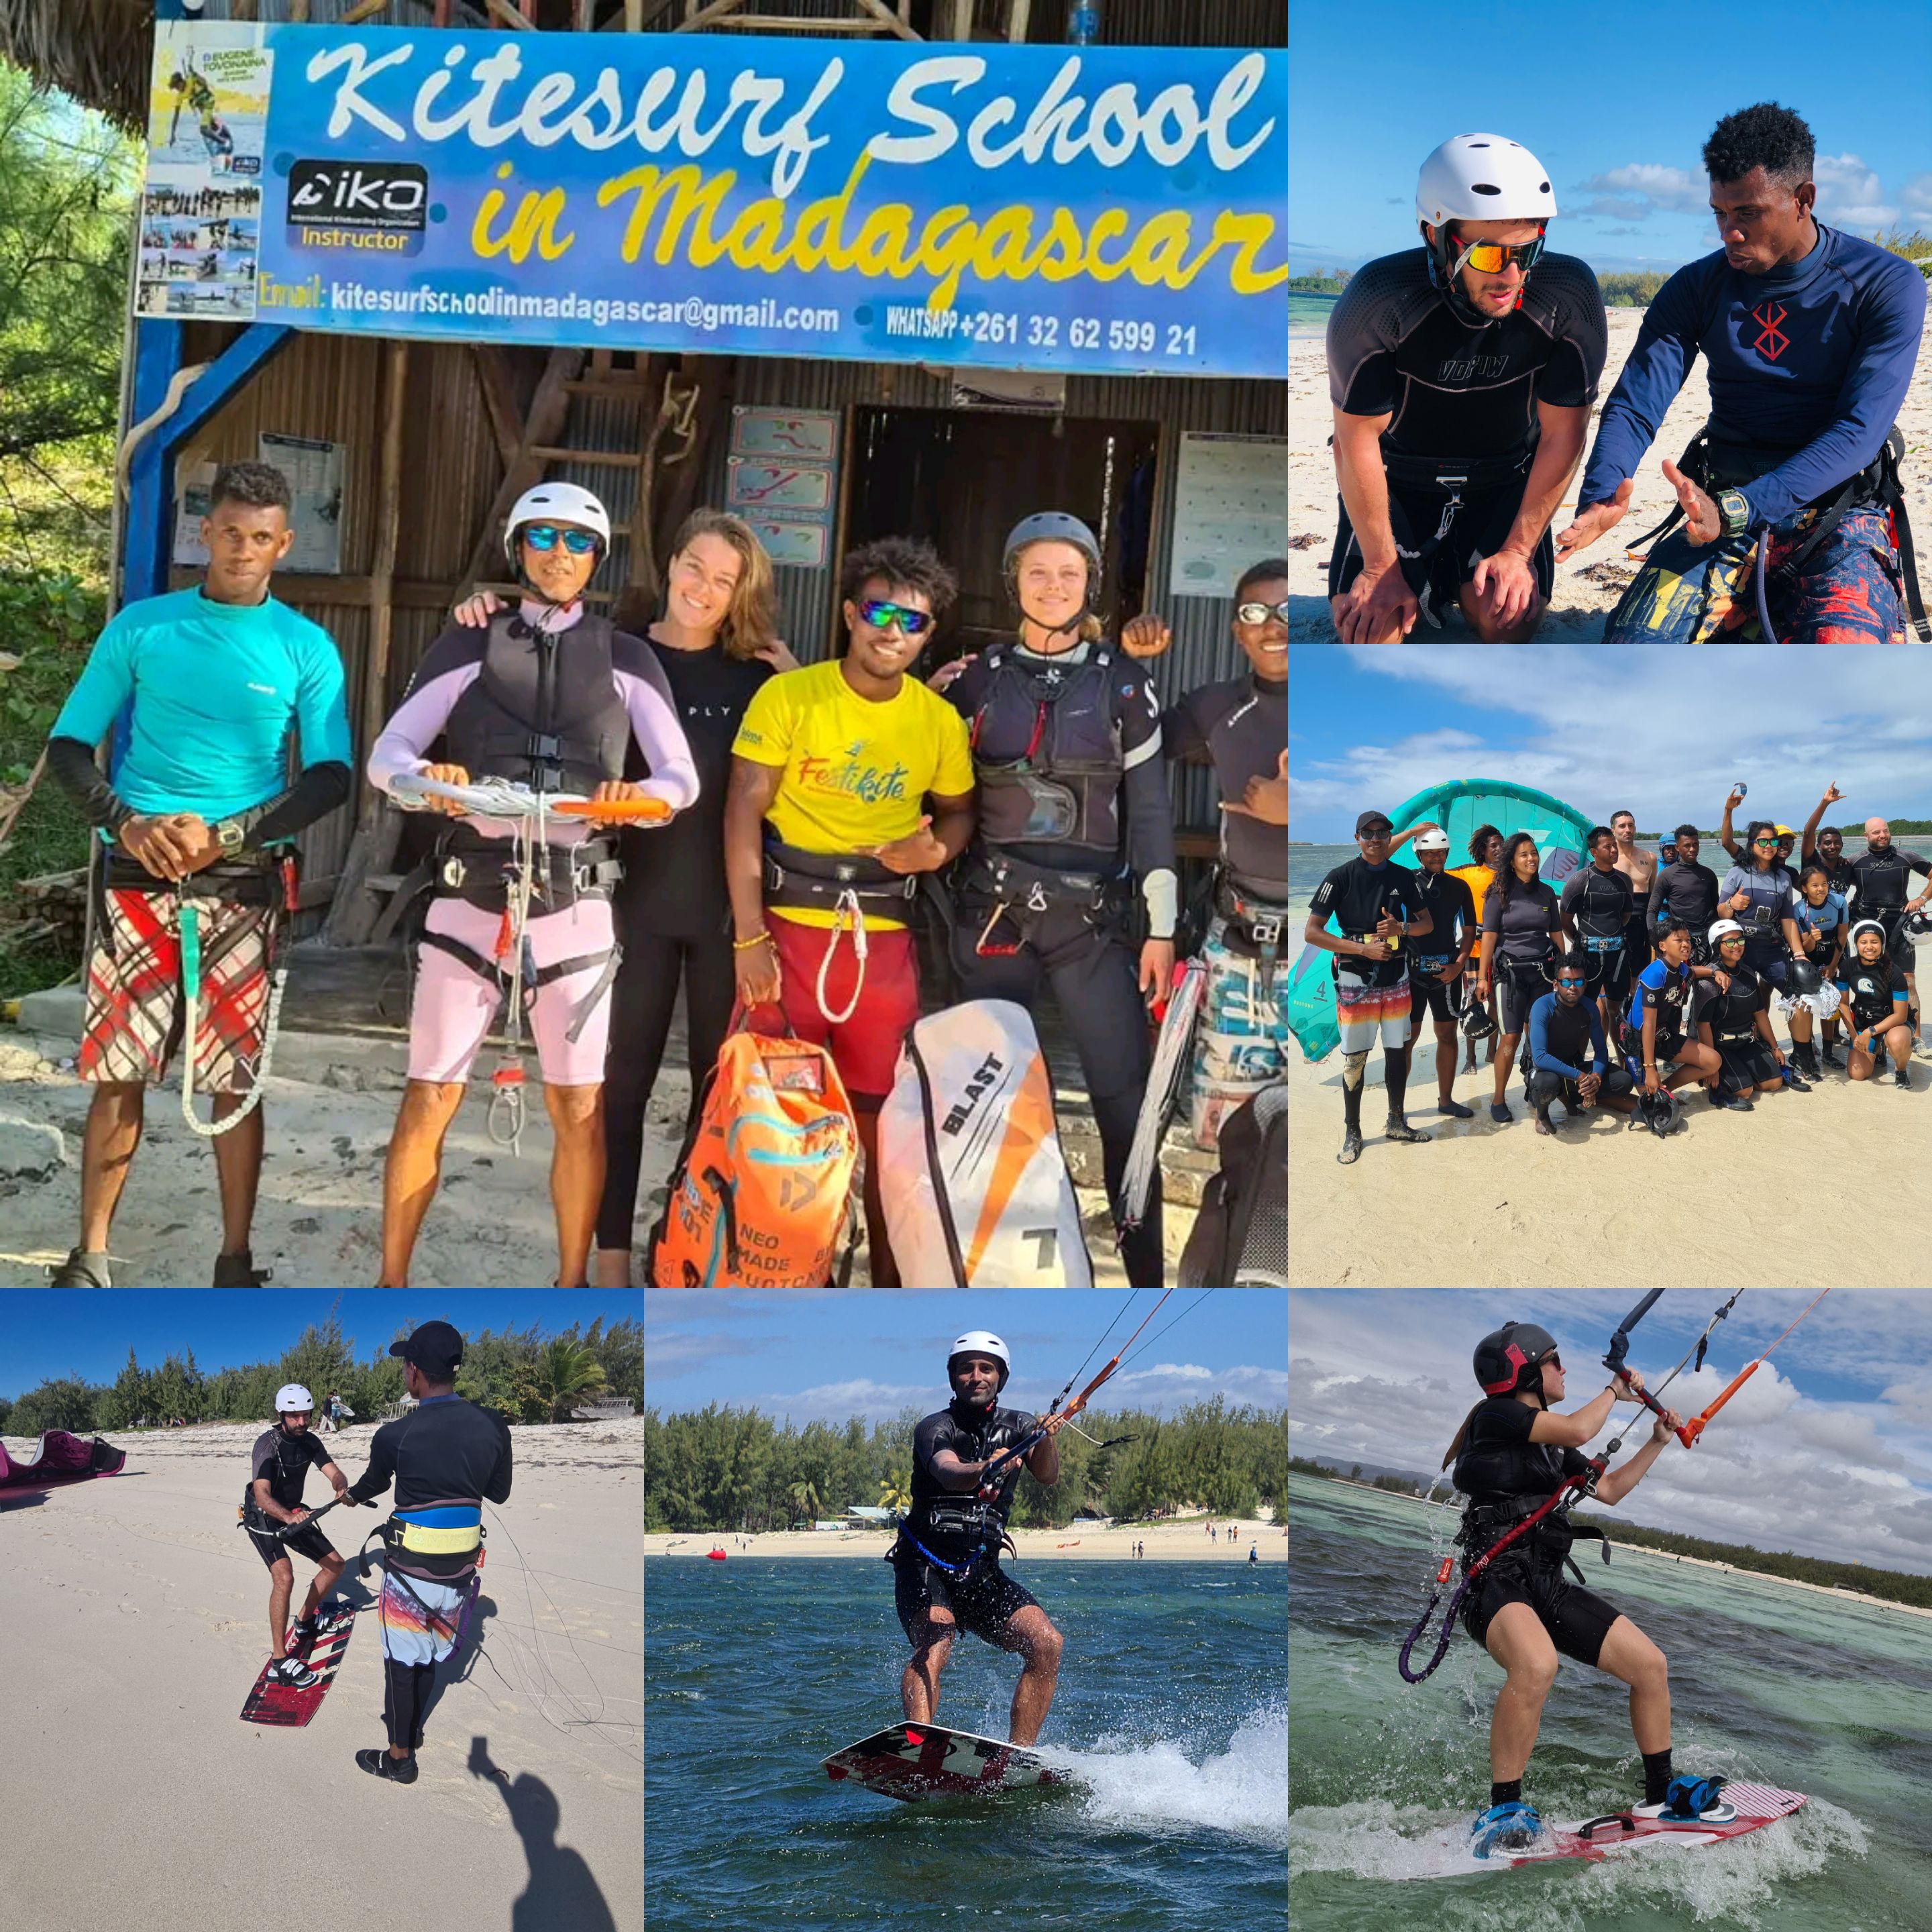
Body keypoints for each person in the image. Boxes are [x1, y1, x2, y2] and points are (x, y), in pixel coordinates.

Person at [453, 510, 798, 1288]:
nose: (703, 589)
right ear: (670, 563)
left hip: (722, 918)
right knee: (621, 1087)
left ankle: (681, 1237)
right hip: (626, 903)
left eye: (725, 579)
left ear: (742, 593)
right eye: (695, 567)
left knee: (719, 1093)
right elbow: (530, 640)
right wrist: (483, 609)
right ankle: (609, 1259)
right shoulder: (611, 654)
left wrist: (797, 676)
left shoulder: (760, 679)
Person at [368, 482, 700, 1289]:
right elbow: (388, 758)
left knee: (580, 1106)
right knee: (429, 1095)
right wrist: (432, 779)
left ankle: (572, 1280)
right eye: (543, 537)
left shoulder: (628, 658)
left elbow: (680, 778)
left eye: (578, 542)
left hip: (575, 899)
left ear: (597, 558)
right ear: (518, 549)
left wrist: (635, 798)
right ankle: (389, 1282)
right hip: (471, 893)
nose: (560, 553)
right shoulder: (466, 644)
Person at [43, 461, 353, 1289]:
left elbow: (330, 775)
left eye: (261, 538)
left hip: (244, 887)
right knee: (119, 1070)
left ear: (283, 544)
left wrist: (229, 835)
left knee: (233, 1081)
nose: (243, 550)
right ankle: (92, 1258)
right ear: (204, 534)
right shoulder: (143, 629)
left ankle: (234, 1261)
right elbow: (71, 748)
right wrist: (129, 822)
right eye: (229, 533)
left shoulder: (306, 647)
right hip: (137, 878)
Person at [1564, 103, 1928, 643]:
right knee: (1630, 649)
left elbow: (1858, 431)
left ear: (1803, 199)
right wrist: (1599, 496)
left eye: (1748, 214)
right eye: (1719, 213)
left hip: (1839, 513)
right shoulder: (1696, 287)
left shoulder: (1884, 284)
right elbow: (1637, 402)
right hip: (1716, 502)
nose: (1729, 233)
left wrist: (1739, 510)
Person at [727, 537, 976, 1287]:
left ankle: (888, 1283)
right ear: (848, 614)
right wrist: (747, 937)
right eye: (876, 611)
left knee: (886, 1127)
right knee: (779, 1120)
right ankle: (782, 1274)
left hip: (882, 946)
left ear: (930, 635)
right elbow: (742, 810)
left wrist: (936, 853)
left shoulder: (934, 720)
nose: (891, 631)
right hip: (786, 936)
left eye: (913, 621)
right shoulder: (790, 697)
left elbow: (959, 814)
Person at [940, 514, 1178, 1283]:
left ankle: (1142, 1282)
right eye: (1037, 573)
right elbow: (934, 793)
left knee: (1124, 1108)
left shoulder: (1124, 683)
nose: (1053, 587)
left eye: (1068, 574)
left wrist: (1161, 932)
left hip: (1092, 926)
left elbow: (1149, 815)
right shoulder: (972, 679)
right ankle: (985, 1270)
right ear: (1014, 580)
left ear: (1089, 585)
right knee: (984, 1111)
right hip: (993, 917)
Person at [1446, 1324, 1727, 1858]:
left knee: (1650, 1666)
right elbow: (1578, 1430)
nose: (1565, 1370)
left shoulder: (1555, 1452)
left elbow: (1614, 1490)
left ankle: (1658, 1795)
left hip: (1545, 1583)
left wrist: (1657, 1441)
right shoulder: (1498, 1414)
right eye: (1555, 1361)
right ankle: (1503, 1807)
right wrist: (1615, 1392)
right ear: (1526, 1371)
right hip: (1494, 1583)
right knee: (1536, 1665)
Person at [1327, 133, 1608, 641]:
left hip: (1503, 482)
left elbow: (1564, 433)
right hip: (1400, 485)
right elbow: (1354, 441)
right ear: (1433, 235)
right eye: (1488, 256)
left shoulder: (1568, 294)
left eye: (1527, 250)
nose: (1513, 275)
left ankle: (1455, 580)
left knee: (1506, 621)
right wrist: (1378, 566)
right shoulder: (1378, 297)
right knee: (1372, 633)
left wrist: (1520, 552)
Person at [338, 1321, 512, 1784]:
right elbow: (499, 1492)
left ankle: (399, 1758)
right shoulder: (492, 1424)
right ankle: (412, 1731)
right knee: (432, 1657)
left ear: (414, 1371)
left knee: (400, 1666)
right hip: (458, 1576)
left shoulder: (396, 1435)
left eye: (404, 1365)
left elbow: (375, 1484)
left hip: (409, 1576)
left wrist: (352, 1496)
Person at [1159, 559, 1289, 1144]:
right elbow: (1134, 740)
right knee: (1226, 1136)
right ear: (1237, 631)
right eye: (1254, 613)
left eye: (1287, 610)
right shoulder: (1216, 706)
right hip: (1238, 947)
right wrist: (1131, 663)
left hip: (1329, 954)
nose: (1272, 625)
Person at [892, 1332, 1065, 1748]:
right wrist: (985, 1467)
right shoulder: (934, 1427)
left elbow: (1048, 1474)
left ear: (1000, 1378)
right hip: (925, 1564)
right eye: (965, 1368)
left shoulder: (1021, 1425)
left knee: (1047, 1644)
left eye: (985, 1368)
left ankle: (1019, 1756)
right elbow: (946, 1469)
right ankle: (918, 1745)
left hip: (980, 1571)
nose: (975, 1376)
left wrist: (1044, 1437)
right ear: (952, 1378)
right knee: (938, 1635)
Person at [1303, 811, 1434, 1163]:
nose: (1375, 838)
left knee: (1396, 1051)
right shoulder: (1339, 877)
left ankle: (1396, 1121)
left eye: (1382, 832)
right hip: (1354, 978)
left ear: (1389, 836)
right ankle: (1353, 1131)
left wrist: (1400, 929)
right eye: (1368, 833)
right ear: (1357, 837)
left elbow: (1427, 924)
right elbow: (1312, 932)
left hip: (1397, 978)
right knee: (1355, 1058)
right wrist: (1363, 948)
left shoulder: (1403, 877)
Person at [241, 1384, 355, 1693]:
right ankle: (279, 1662)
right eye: (295, 1416)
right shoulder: (267, 1445)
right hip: (263, 1518)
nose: (302, 1422)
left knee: (336, 1566)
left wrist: (341, 1487)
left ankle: (304, 1621)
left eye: (306, 1415)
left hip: (294, 1513)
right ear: (282, 1415)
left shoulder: (310, 1441)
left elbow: (334, 1472)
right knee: (285, 1577)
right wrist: (289, 1517)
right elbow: (262, 1495)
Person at [1474, 833, 1563, 1124]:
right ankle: (1498, 1098)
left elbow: (1556, 935)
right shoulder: (1497, 892)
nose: (1531, 859)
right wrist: (1483, 978)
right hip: (1509, 976)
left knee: (1539, 1037)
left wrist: (1564, 970)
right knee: (1510, 1037)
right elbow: (1489, 936)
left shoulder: (1547, 893)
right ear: (1511, 861)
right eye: (1524, 854)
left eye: (1534, 853)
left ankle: (1537, 1093)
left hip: (1542, 974)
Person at [1399, 826, 1477, 1118]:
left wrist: (1458, 965)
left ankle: (1446, 1100)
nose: (1437, 857)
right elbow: (1377, 857)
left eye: (1441, 852)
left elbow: (1469, 930)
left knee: (1447, 1035)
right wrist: (1411, 832)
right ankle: (1398, 1108)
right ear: (1418, 853)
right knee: (1407, 1039)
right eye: (1430, 852)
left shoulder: (1458, 887)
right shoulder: (1405, 882)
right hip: (1410, 971)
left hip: (1446, 971)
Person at [1522, 951, 1638, 1136]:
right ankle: (1542, 1114)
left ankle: (1578, 1096)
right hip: (1542, 1071)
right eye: (1567, 981)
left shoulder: (1589, 1007)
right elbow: (1541, 1057)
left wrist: (1596, 1078)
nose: (1573, 987)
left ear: (1585, 984)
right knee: (1547, 1084)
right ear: (1556, 984)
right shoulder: (1542, 1007)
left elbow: (1601, 1050)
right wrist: (1582, 1077)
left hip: (1571, 1068)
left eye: (1578, 981)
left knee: (1623, 1081)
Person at [1621, 922, 1723, 1130]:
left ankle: (1667, 1089)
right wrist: (1650, 1069)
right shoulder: (1655, 973)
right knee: (1653, 1107)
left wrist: (1714, 973)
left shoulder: (1680, 968)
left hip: (1662, 1035)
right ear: (1663, 946)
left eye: (1688, 940)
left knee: (1713, 1061)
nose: (1686, 944)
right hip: (1638, 1042)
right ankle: (1652, 1084)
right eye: (1679, 940)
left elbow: (1693, 972)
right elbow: (1648, 1024)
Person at [1694, 920, 1805, 1108]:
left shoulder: (1748, 973)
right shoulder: (1709, 980)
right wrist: (1710, 1066)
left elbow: (1760, 1013)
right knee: (1744, 1092)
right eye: (1729, 942)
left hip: (1745, 1041)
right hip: (1720, 1046)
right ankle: (1723, 1081)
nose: (1736, 946)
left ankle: (1741, 1072)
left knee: (1774, 1083)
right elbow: (1702, 1025)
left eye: (1740, 940)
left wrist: (1775, 1047)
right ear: (1716, 945)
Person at [1842, 816, 1931, 1039]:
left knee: (1908, 980)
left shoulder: (1906, 856)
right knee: (1867, 980)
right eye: (1876, 832)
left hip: (1899, 927)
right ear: (1866, 836)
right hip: (1866, 929)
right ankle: (1867, 1030)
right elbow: (1832, 883)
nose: (1882, 835)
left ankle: (1916, 1037)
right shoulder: (1854, 860)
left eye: (1885, 831)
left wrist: (1921, 899)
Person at [1558, 827, 1636, 1046]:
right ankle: (1582, 1061)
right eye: (1607, 846)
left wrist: (1610, 940)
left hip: (1618, 959)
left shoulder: (1624, 881)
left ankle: (1621, 1062)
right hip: (1588, 958)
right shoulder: (1579, 881)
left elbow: (1625, 916)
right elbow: (1565, 921)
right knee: (1585, 1009)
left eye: (1614, 845)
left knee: (1618, 1011)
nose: (1614, 850)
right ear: (1593, 851)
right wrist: (1583, 942)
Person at [1782, 865, 1849, 1076]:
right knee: (1809, 1005)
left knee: (1831, 1005)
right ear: (1804, 888)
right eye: (1815, 885)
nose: (1821, 889)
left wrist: (1833, 965)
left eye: (1824, 884)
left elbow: (1842, 937)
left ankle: (1828, 1052)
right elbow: (1804, 947)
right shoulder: (1799, 910)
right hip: (1810, 961)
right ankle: (1808, 1048)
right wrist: (1812, 938)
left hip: (1834, 956)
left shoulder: (1839, 903)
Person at [1835, 919, 1915, 1090]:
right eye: (1863, 942)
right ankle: (1878, 1050)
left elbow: (1900, 1015)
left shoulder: (1895, 972)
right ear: (1856, 944)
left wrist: (1870, 1032)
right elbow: (1843, 1004)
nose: (1869, 947)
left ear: (1882, 944)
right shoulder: (1848, 966)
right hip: (1863, 1023)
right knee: (1857, 1075)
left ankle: (1900, 1070)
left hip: (1892, 1023)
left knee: (1897, 1041)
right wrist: (1855, 1036)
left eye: (1874, 942)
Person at [1645, 824, 1721, 965]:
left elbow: (1716, 908)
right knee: (1678, 985)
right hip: (1679, 940)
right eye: (1687, 846)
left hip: (1706, 939)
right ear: (1678, 847)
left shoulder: (1709, 875)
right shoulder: (1666, 876)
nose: (1692, 849)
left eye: (1695, 844)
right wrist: (1656, 940)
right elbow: (1652, 911)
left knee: (1708, 985)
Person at [1607, 810, 1656, 983]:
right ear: (1613, 831)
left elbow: (1652, 894)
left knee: (1639, 972)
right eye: (1622, 826)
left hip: (1642, 924)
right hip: (1616, 923)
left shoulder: (1649, 858)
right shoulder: (1607, 859)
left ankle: (1633, 1007)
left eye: (1631, 825)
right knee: (1613, 973)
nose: (1627, 829)